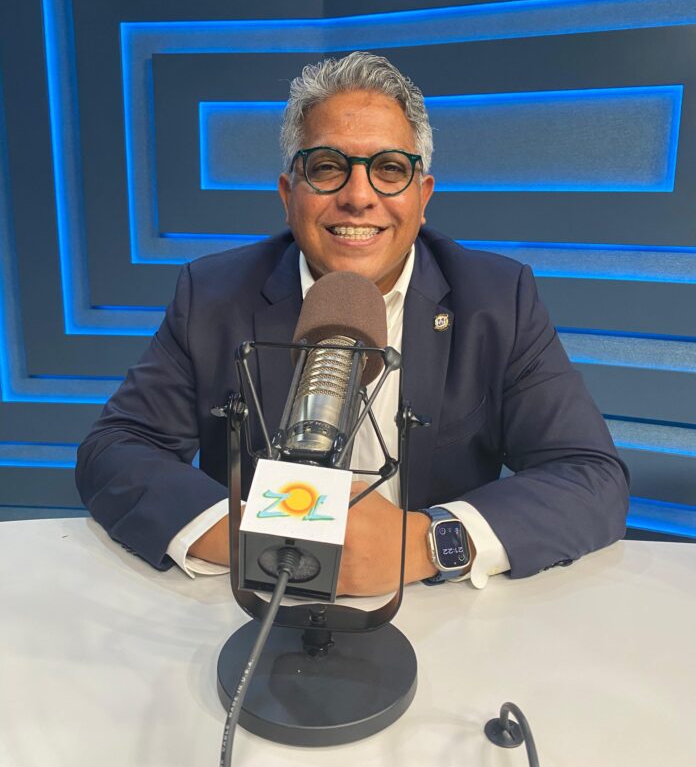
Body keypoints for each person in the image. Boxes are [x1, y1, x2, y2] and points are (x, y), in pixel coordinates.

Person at [76, 51, 629, 596]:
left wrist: (426, 544)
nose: (359, 197)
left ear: (422, 197)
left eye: (389, 169)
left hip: (432, 603)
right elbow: (117, 449)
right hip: (257, 600)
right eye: (327, 167)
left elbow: (589, 476)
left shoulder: (498, 299)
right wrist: (252, 540)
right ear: (288, 195)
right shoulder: (213, 296)